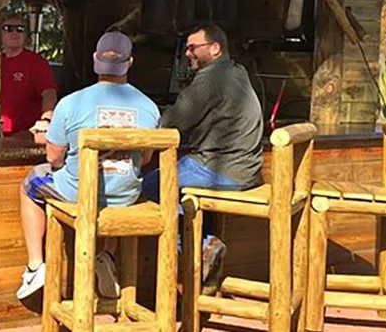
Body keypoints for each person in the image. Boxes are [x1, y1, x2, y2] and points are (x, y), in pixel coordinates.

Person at [16, 31, 160, 300]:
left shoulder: (71, 103)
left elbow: (53, 158)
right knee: (117, 187)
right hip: (126, 198)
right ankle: (106, 255)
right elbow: (147, 158)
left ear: (95, 60)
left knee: (29, 184)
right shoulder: (149, 108)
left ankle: (36, 266)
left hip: (79, 195)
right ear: (129, 62)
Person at [141, 25, 263, 286]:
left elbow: (172, 122)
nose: (187, 53)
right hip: (247, 171)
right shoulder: (236, 71)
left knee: (148, 186)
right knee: (184, 193)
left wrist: (144, 117)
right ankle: (206, 246)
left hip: (221, 169)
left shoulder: (211, 78)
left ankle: (200, 246)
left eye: (193, 47)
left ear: (215, 48)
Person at [0, 16, 57, 137]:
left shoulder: (36, 62)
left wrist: (46, 119)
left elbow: (49, 92)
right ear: (0, 33)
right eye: (8, 28)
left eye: (20, 29)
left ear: (25, 35)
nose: (14, 32)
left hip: (24, 134)